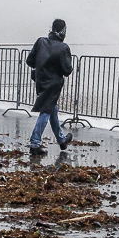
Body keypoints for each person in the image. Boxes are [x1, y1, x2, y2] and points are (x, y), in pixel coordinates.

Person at [25, 18, 74, 156]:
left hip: (40, 81)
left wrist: (41, 65)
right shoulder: (63, 48)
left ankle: (61, 140)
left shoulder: (41, 41)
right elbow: (67, 70)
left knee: (52, 109)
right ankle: (35, 143)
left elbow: (29, 61)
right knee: (46, 111)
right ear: (64, 32)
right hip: (53, 85)